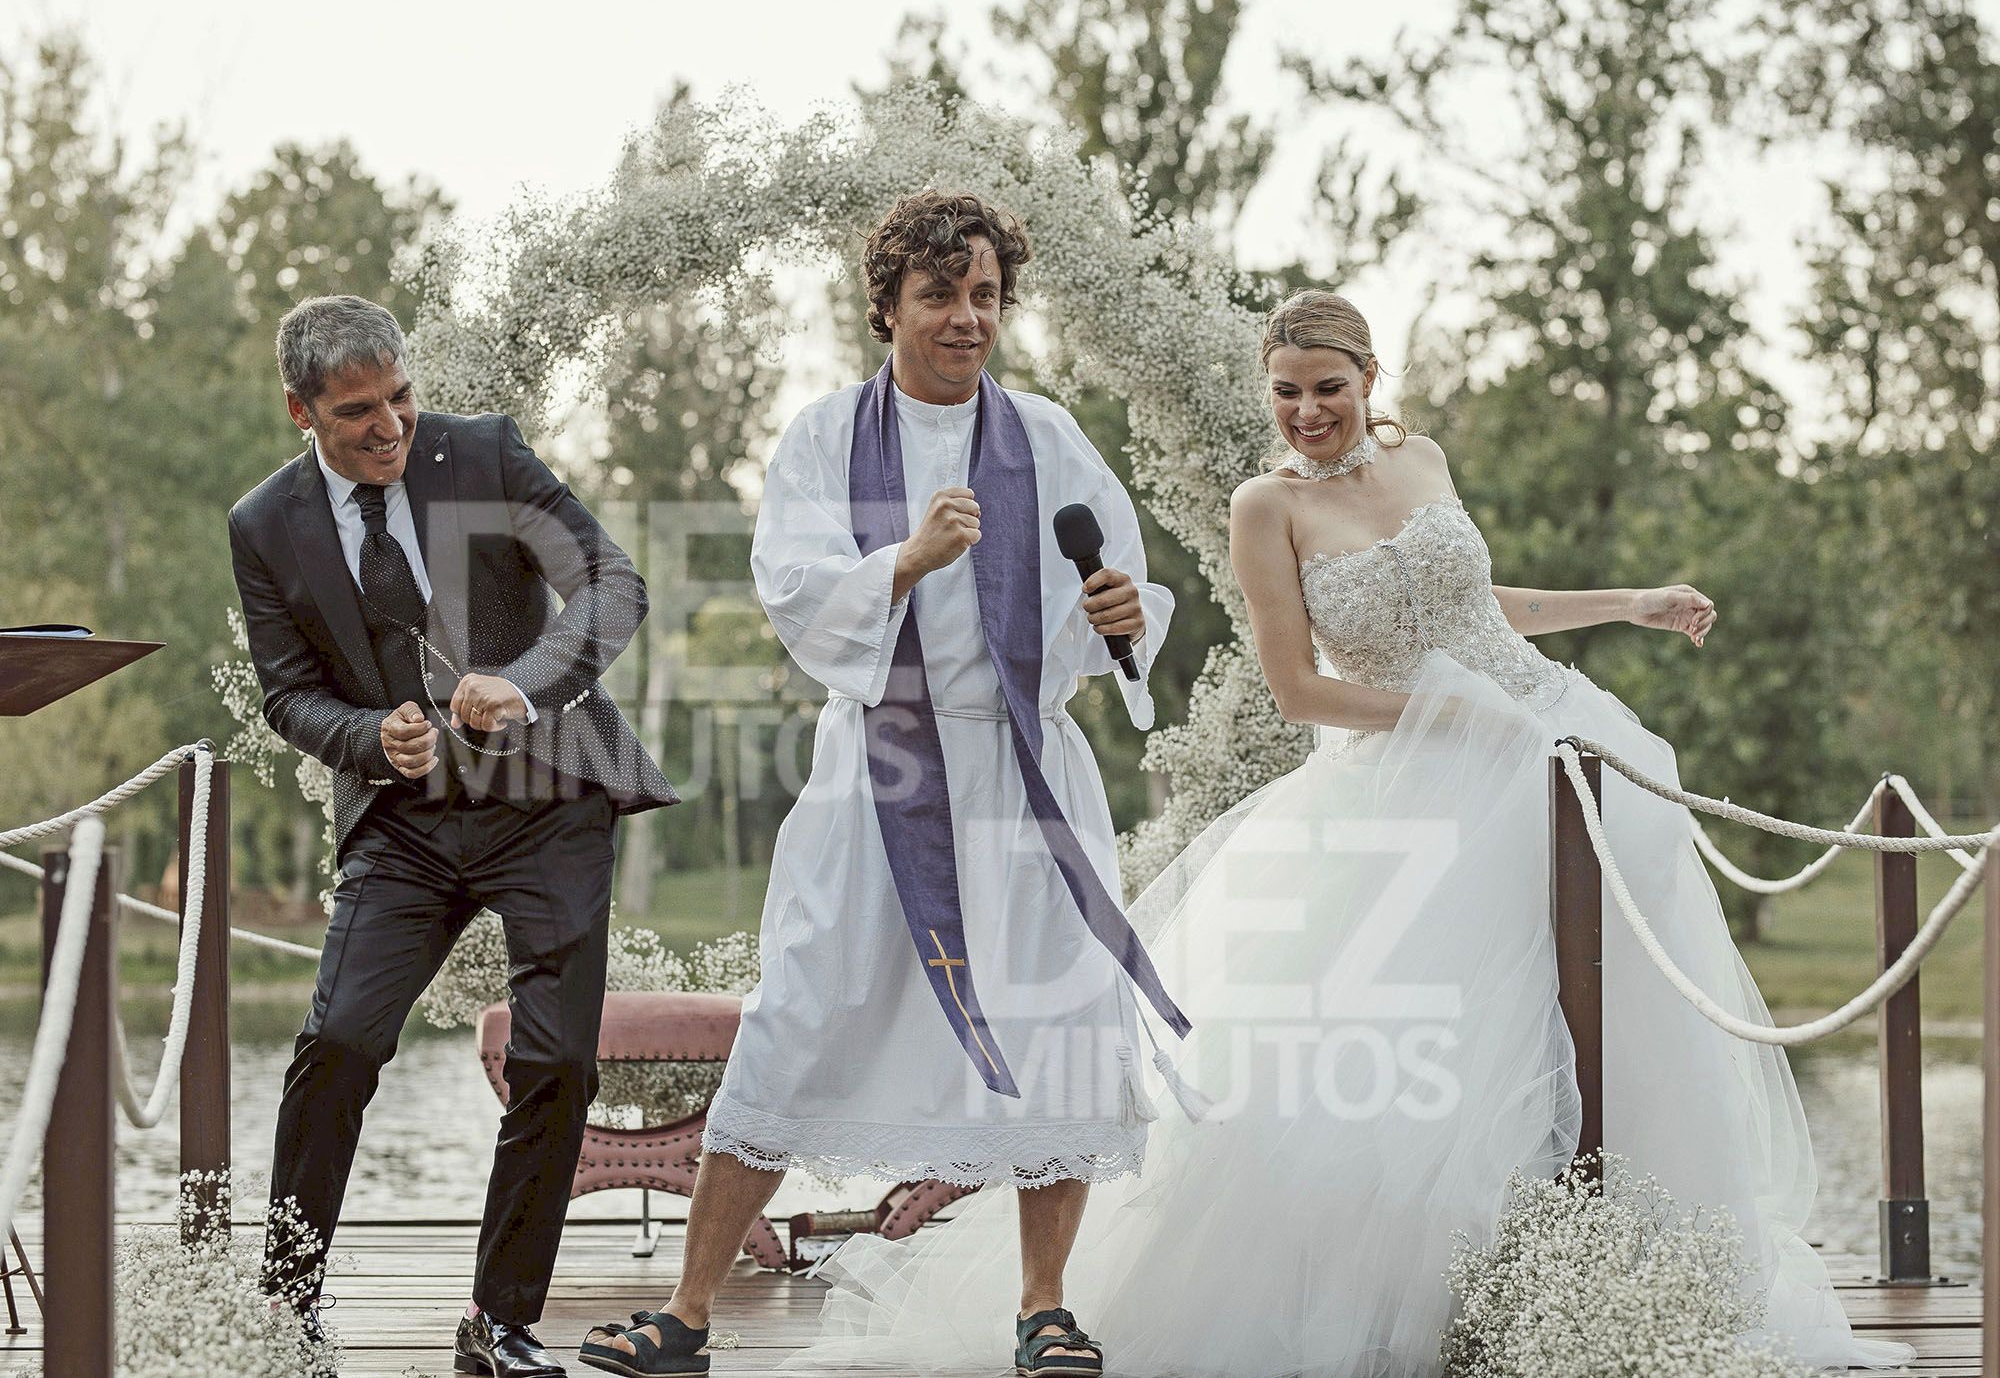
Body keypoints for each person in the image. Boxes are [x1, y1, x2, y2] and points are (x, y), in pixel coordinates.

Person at [784, 289, 1918, 1376]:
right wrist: (1448, 721)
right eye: (1284, 392)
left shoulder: (1420, 461)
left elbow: (1482, 608)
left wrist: (1627, 603)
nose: (1306, 412)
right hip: (1412, 787)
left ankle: (1620, 1277)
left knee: (1609, 1017)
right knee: (1436, 1053)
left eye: (1326, 387)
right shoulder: (1262, 509)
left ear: (1370, 382)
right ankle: (1440, 1300)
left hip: (1556, 744)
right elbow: (1296, 691)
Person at [578, 191, 1183, 1377]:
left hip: (1019, 774)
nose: (967, 319)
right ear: (886, 305)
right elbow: (793, 593)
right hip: (880, 771)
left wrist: (1123, 617)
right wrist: (905, 558)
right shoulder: (819, 438)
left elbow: (1110, 583)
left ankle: (1043, 1308)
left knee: (1055, 1019)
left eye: (985, 297)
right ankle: (687, 1317)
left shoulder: (1048, 436)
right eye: (939, 295)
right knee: (801, 1010)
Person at [229, 294, 678, 1378]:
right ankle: (284, 1313)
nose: (389, 429)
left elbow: (614, 586)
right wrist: (370, 737)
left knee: (557, 1058)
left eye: (399, 398)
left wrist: (521, 685)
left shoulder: (482, 454)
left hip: (550, 802)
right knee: (338, 1043)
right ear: (301, 409)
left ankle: (500, 1323)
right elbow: (289, 694)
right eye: (356, 414)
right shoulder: (262, 525)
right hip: (403, 829)